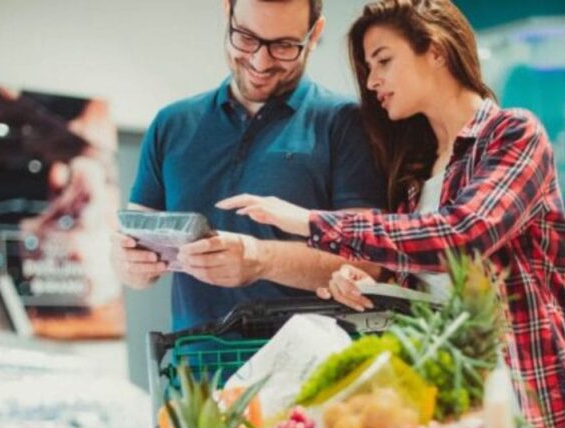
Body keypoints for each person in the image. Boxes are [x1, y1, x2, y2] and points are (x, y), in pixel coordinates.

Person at [219, 0, 565, 428]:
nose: (372, 82)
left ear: (436, 48)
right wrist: (364, 279)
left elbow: (464, 234)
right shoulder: (416, 181)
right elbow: (420, 281)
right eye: (367, 69)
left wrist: (310, 221)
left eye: (383, 61)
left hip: (546, 423)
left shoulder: (513, 135)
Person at [112, 0, 385, 331]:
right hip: (195, 369)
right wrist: (129, 263)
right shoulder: (171, 124)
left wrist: (260, 259)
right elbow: (134, 250)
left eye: (284, 46)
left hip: (311, 372)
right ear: (227, 13)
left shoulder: (346, 123)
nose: (260, 61)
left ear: (315, 35)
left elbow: (368, 263)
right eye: (245, 37)